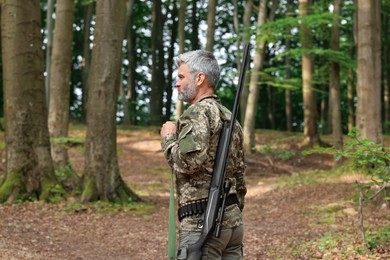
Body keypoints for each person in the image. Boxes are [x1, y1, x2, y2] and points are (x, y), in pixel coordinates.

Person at [160, 50, 247, 260]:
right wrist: (230, 212)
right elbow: (239, 176)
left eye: (181, 77)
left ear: (200, 78)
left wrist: (168, 138)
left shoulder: (197, 113)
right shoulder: (230, 118)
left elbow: (189, 163)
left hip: (202, 223)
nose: (177, 83)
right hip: (232, 226)